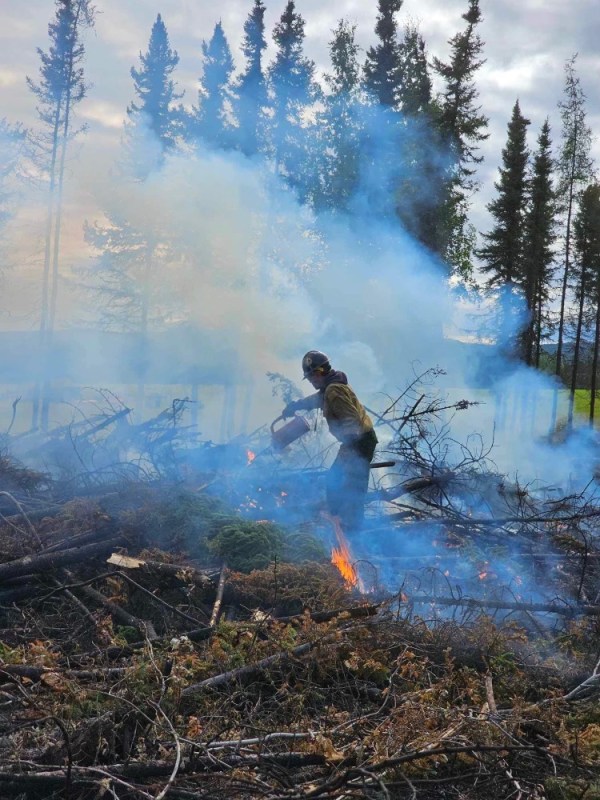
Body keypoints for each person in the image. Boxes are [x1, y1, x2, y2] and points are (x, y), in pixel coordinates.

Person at [282, 350, 377, 533]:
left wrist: (350, 446)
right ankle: (342, 521)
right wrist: (295, 406)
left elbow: (351, 419)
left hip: (358, 441)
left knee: (348, 483)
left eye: (310, 377)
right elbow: (315, 400)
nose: (310, 381)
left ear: (318, 373)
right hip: (358, 440)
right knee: (339, 480)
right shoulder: (330, 387)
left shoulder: (334, 390)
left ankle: (350, 528)